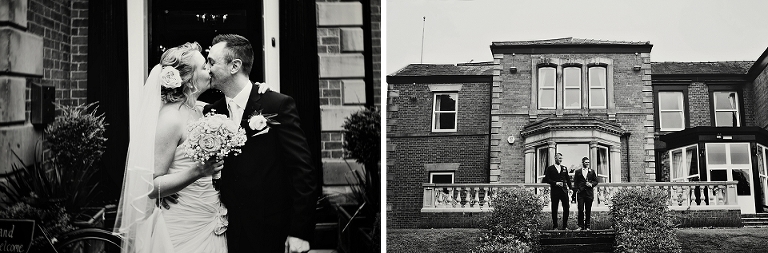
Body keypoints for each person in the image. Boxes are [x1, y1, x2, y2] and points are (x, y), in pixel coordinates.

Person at [114, 42, 270, 253]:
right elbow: (150, 185)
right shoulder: (170, 119)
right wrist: (197, 171)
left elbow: (240, 100)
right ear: (189, 79)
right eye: (205, 66)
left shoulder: (203, 110)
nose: (210, 69)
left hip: (210, 218)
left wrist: (258, 91)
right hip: (183, 223)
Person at [204, 34, 318, 253]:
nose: (207, 68)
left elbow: (302, 171)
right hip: (226, 231)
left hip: (270, 230)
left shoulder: (276, 105)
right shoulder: (211, 112)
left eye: (211, 62)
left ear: (234, 66)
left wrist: (300, 231)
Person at [543, 152, 572, 230]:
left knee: (566, 208)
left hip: (564, 191)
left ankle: (565, 226)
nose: (561, 160)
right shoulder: (550, 168)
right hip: (555, 191)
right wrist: (555, 183)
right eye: (559, 158)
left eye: (561, 158)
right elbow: (547, 179)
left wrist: (571, 188)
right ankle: (555, 226)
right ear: (555, 158)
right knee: (554, 208)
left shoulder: (564, 168)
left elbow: (568, 179)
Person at [574, 157, 598, 230]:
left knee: (588, 210)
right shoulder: (578, 171)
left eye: (588, 162)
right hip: (580, 194)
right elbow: (575, 182)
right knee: (580, 209)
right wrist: (577, 190)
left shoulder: (592, 172)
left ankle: (587, 226)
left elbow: (596, 181)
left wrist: (591, 184)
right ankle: (580, 226)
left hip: (589, 194)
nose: (587, 164)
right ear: (583, 162)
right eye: (586, 162)